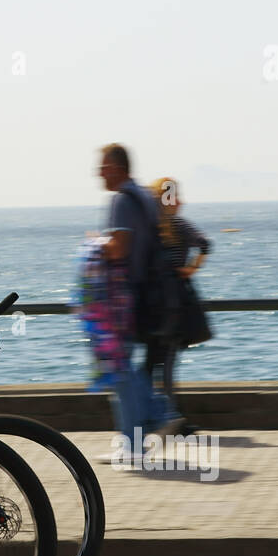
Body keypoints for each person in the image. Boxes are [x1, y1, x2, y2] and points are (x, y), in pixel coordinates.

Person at [97, 144, 183, 464]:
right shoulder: (146, 196)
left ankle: (155, 419)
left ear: (117, 168)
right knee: (123, 368)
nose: (99, 173)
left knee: (120, 369)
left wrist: (96, 244)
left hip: (123, 297)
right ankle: (134, 439)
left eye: (103, 168)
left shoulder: (121, 199)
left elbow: (119, 249)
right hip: (148, 296)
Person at [144, 177, 211, 432]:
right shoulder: (180, 225)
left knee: (150, 366)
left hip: (150, 304)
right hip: (174, 304)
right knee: (168, 364)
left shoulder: (149, 228)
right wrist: (190, 269)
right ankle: (171, 418)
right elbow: (205, 244)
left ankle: (152, 417)